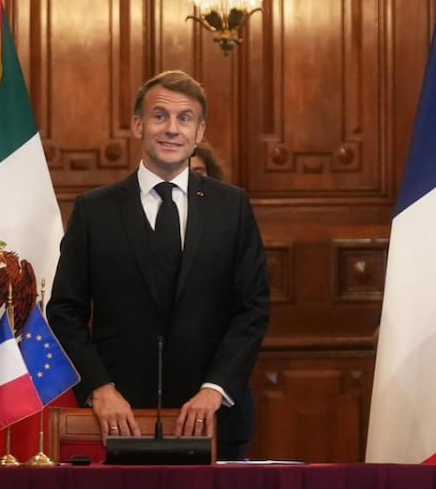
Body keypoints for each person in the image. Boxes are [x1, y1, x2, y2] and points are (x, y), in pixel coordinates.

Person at [48, 70, 271, 460]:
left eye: (185, 118)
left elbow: (252, 308)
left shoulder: (231, 207)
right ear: (138, 124)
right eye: (159, 116)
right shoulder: (95, 210)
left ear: (199, 132)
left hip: (213, 416)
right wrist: (100, 389)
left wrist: (215, 388)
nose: (172, 129)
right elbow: (65, 310)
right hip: (120, 417)